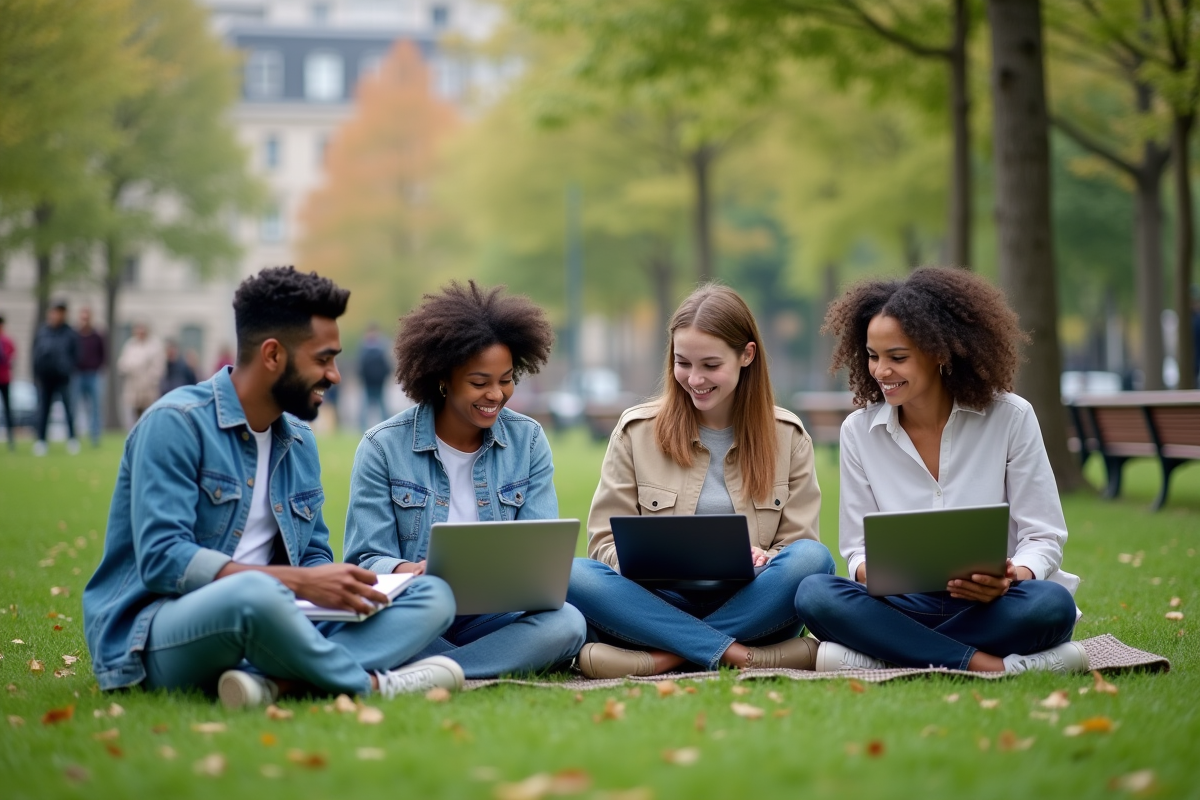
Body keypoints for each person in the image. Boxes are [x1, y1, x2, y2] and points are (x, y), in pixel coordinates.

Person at [83, 266, 462, 710]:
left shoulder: (299, 441)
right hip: (160, 632)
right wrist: (299, 582)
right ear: (272, 356)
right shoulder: (176, 424)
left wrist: (348, 586)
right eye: (322, 359)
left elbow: (314, 554)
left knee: (432, 594)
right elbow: (164, 560)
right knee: (254, 595)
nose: (335, 375)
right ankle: (368, 685)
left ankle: (274, 684)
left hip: (282, 616)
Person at [794, 267, 1086, 675]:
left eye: (897, 358)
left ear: (939, 352)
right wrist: (876, 572)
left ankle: (885, 650)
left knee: (1051, 605)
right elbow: (857, 551)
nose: (880, 371)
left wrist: (1011, 576)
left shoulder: (1011, 418)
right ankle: (989, 665)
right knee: (815, 594)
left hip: (996, 602)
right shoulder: (858, 432)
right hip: (905, 601)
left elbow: (1044, 536)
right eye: (873, 356)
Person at [566, 284, 833, 679]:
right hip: (657, 600)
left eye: (710, 365)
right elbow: (603, 544)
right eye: (683, 363)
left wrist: (763, 556)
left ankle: (665, 657)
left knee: (815, 560)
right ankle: (738, 655)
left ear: (747, 355)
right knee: (573, 574)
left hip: (752, 599)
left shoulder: (788, 437)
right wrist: (653, 562)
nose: (694, 379)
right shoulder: (636, 432)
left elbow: (798, 548)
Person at [344, 281, 586, 679]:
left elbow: (538, 552)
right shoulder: (382, 446)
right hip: (416, 613)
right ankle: (485, 661)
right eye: (479, 382)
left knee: (569, 624)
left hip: (492, 615)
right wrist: (411, 570)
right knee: (387, 624)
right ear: (443, 379)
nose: (496, 394)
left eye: (506, 379)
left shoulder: (527, 441)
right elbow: (364, 559)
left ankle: (423, 674)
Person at [32, 300, 80, 455]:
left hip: (63, 377)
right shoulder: (43, 331)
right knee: (43, 409)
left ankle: (72, 439)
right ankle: (41, 440)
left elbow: (76, 354)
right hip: (45, 377)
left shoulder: (69, 333)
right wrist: (36, 373)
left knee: (68, 408)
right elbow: (35, 353)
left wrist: (68, 368)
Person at [116, 323, 165, 424]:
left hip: (148, 386)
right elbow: (123, 363)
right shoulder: (130, 345)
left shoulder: (154, 345)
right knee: (133, 412)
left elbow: (158, 366)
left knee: (148, 412)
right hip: (133, 385)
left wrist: (151, 379)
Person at [75, 307, 106, 447]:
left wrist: (97, 366)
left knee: (95, 407)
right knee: (75, 406)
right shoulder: (75, 336)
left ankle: (95, 437)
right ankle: (75, 436)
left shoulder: (97, 336)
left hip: (93, 374)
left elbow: (103, 354)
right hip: (78, 374)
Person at [357, 322, 391, 430]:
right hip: (371, 383)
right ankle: (363, 428)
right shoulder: (377, 348)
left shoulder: (368, 349)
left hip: (376, 383)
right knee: (370, 408)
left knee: (378, 407)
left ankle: (385, 426)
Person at [0, 315, 15, 450]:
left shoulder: (7, 341)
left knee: (8, 409)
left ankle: (11, 440)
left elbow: (10, 358)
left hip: (4, 379)